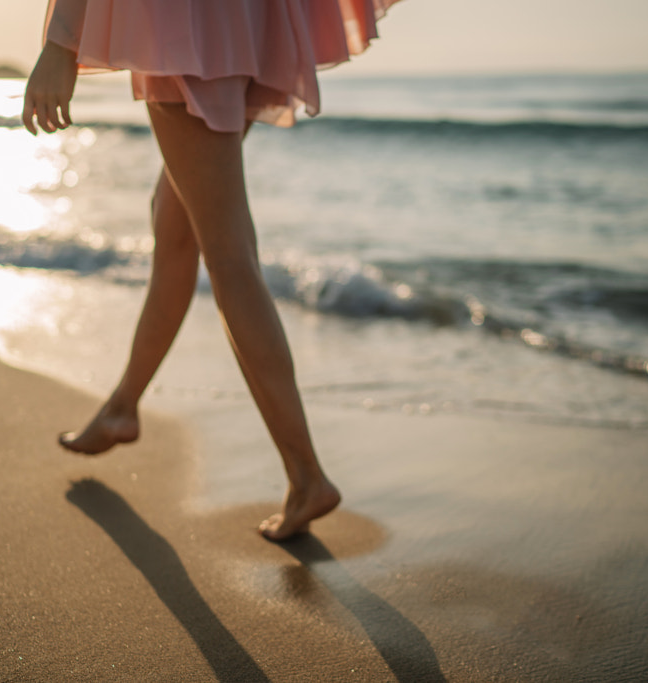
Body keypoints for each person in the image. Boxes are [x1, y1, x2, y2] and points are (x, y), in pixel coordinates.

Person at [23, 0, 399, 541]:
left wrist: (61, 45)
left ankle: (306, 476)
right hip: (245, 20)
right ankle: (122, 408)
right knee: (177, 228)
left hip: (184, 24)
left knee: (229, 256)